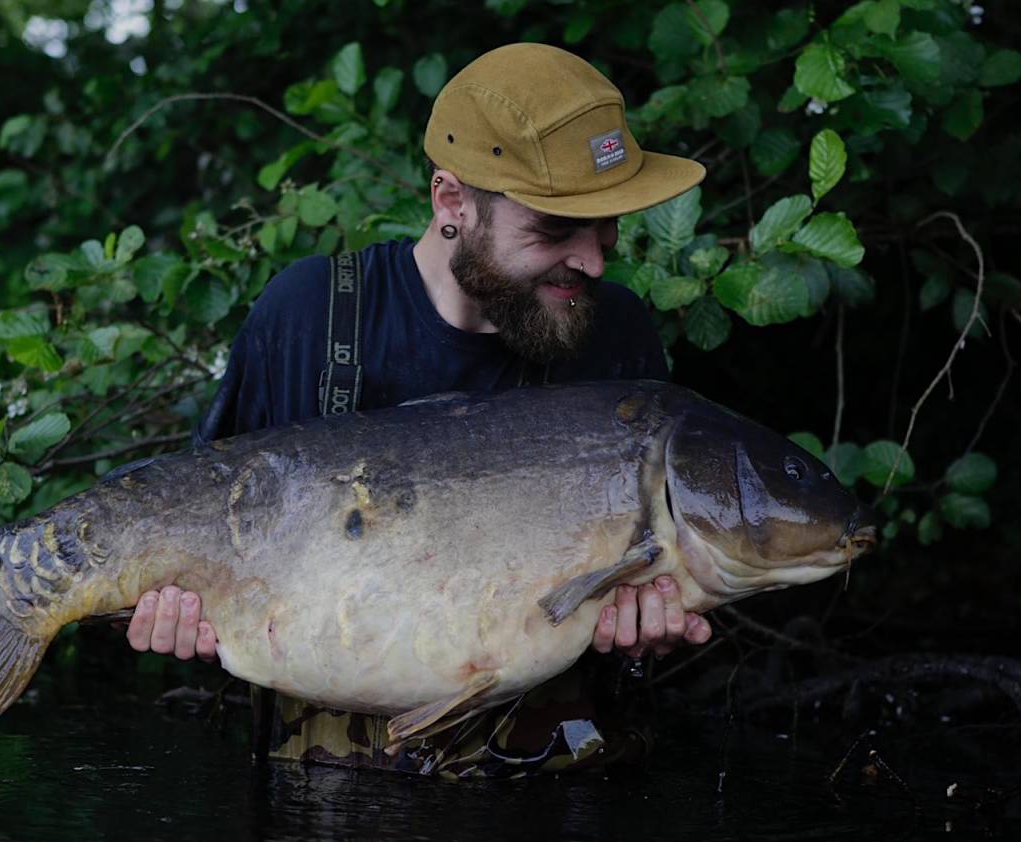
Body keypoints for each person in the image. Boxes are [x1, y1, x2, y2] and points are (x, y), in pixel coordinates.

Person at [126, 43, 713, 776]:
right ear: (452, 204)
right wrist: (176, 611)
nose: (593, 261)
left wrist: (641, 638)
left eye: (605, 228)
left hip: (546, 782)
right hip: (332, 791)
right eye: (553, 230)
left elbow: (644, 590)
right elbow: (206, 532)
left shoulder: (616, 336)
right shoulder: (310, 315)